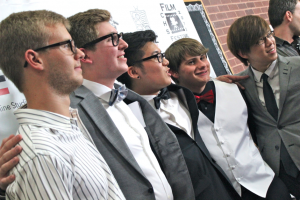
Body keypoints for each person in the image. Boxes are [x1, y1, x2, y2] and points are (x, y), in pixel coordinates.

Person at [67, 9, 194, 200]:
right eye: (113, 39)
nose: (124, 45)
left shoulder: (128, 98)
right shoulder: (68, 111)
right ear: (84, 56)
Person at [0, 10, 125, 200]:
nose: (80, 53)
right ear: (35, 59)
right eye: (68, 46)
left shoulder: (69, 126)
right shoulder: (42, 154)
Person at [117, 30, 242, 200]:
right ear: (134, 72)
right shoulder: (128, 120)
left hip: (225, 188)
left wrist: (216, 82)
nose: (166, 62)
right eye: (157, 57)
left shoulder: (181, 94)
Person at [165, 37, 291, 200]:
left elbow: (258, 132)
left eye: (203, 58)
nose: (202, 64)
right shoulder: (171, 109)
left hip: (265, 183)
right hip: (223, 192)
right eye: (191, 62)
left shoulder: (234, 89)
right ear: (173, 72)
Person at [227, 15, 300, 199]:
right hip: (279, 170)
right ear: (243, 53)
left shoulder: (297, 66)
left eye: (269, 35)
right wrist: (218, 83)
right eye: (261, 40)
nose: (270, 42)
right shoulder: (239, 84)